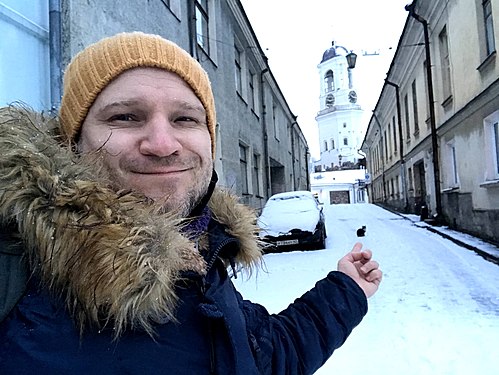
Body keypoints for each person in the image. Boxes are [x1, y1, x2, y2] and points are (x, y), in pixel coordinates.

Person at [0, 32, 382, 374]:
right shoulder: (14, 266)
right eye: (125, 116)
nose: (163, 145)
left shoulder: (200, 254)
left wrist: (345, 290)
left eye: (185, 118)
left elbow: (262, 357)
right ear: (72, 142)